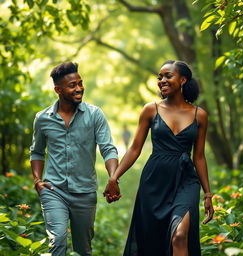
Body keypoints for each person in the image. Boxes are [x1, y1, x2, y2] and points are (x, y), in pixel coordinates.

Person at [104, 60, 214, 256]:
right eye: (159, 77)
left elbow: (199, 157)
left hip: (186, 180)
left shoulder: (200, 115)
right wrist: (114, 177)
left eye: (167, 76)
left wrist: (207, 194)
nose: (162, 80)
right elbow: (135, 148)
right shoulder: (150, 110)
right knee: (152, 240)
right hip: (154, 181)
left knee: (180, 235)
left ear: (182, 80)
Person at [30, 62, 120, 256]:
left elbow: (108, 149)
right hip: (53, 190)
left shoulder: (95, 115)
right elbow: (37, 152)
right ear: (58, 89)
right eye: (72, 85)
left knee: (83, 250)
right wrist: (37, 180)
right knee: (58, 241)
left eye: (80, 83)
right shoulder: (43, 118)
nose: (79, 88)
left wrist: (113, 177)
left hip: (85, 192)